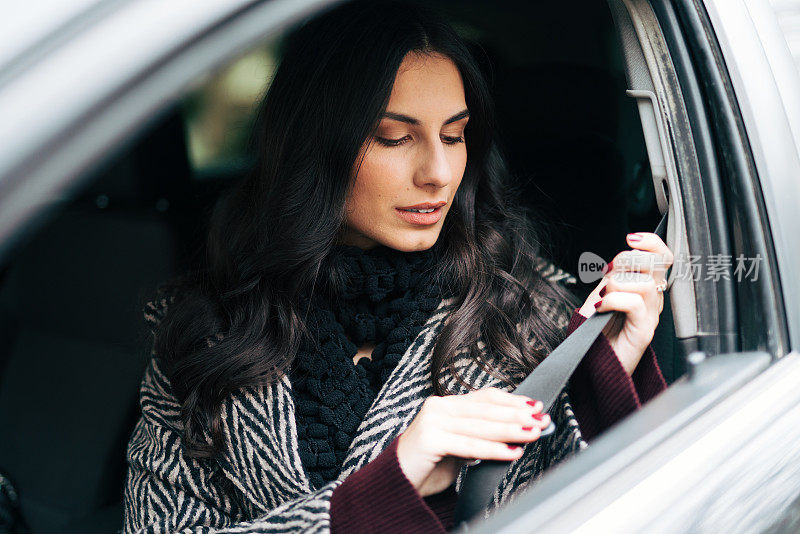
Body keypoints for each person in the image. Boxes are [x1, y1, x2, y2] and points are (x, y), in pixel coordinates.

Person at [122, 0, 672, 532]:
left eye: (454, 136)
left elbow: (606, 504)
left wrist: (607, 374)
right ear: (314, 149)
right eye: (394, 137)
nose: (437, 172)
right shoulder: (204, 332)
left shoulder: (525, 306)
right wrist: (389, 486)